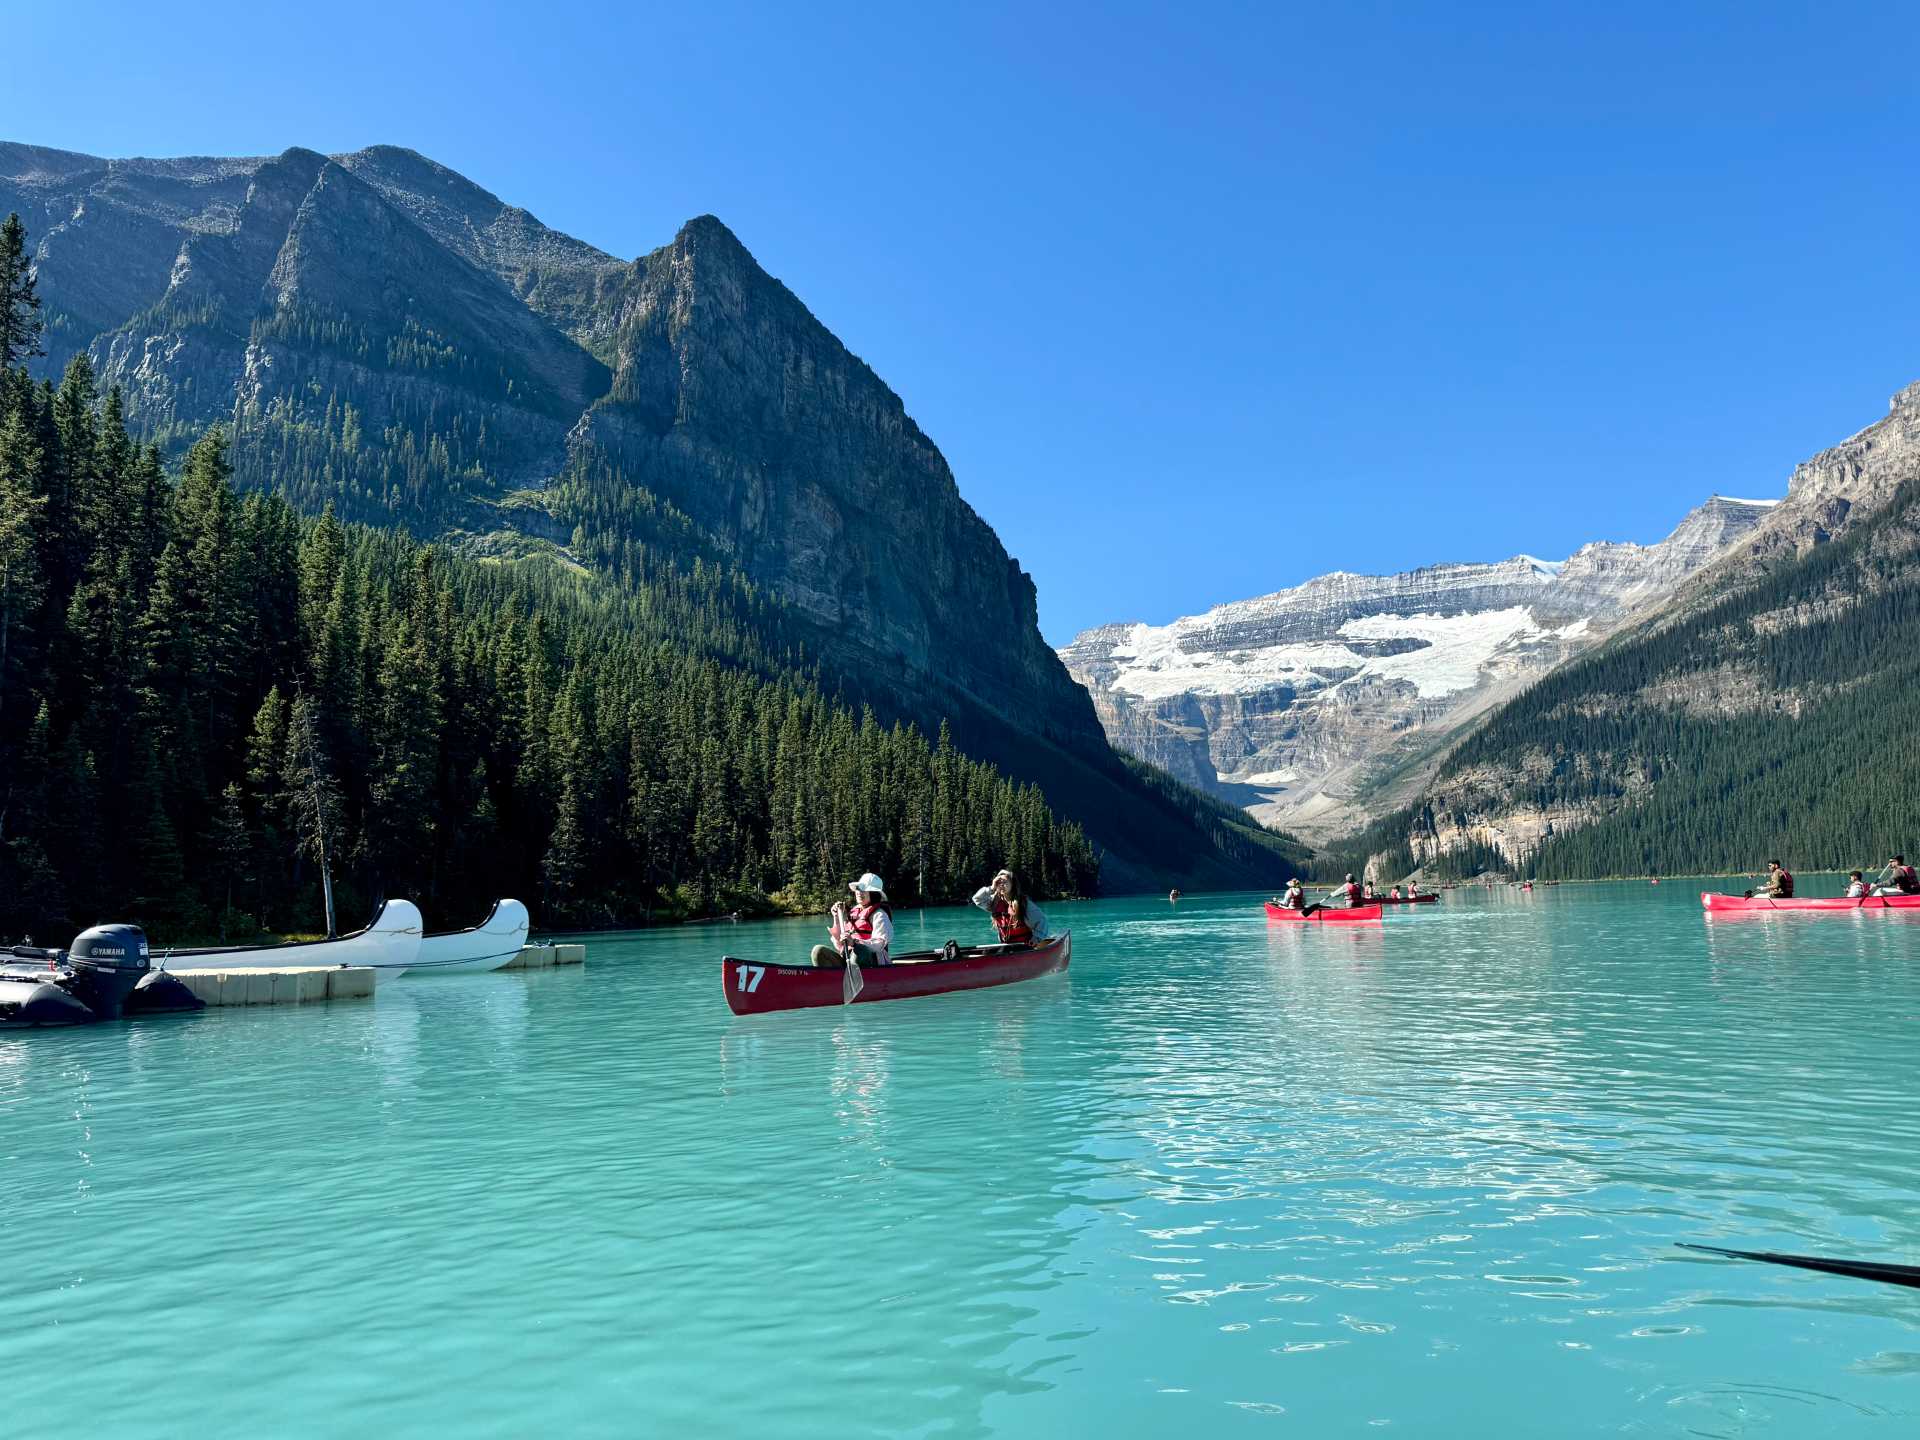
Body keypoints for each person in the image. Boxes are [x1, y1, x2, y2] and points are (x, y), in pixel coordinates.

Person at [811, 873, 894, 968]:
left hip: (871, 962)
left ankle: (859, 978)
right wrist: (837, 917)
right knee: (818, 951)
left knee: (859, 950)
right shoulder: (854, 912)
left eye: (864, 890)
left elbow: (879, 944)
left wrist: (854, 942)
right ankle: (830, 980)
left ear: (873, 893)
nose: (859, 892)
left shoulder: (880, 915)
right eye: (858, 889)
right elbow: (838, 942)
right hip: (848, 959)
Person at [972, 869, 1050, 945]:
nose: (1001, 884)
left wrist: (1036, 939)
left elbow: (1042, 921)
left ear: (1013, 884)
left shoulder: (1024, 904)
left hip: (1025, 948)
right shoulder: (994, 902)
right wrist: (992, 888)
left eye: (1005, 882)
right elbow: (977, 899)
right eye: (998, 882)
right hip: (1007, 948)